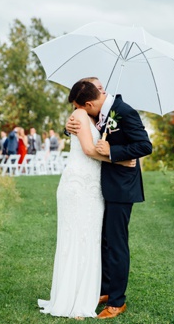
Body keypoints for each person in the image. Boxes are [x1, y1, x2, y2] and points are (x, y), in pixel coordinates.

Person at [39, 77, 139, 319]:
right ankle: (84, 294)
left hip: (106, 186)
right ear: (85, 99)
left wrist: (117, 155)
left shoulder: (118, 112)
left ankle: (108, 297)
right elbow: (86, 146)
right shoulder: (84, 114)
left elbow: (142, 145)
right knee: (83, 239)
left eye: (102, 86)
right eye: (96, 86)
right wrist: (120, 158)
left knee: (100, 241)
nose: (101, 89)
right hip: (82, 184)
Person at [64, 78, 152, 319]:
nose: (78, 112)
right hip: (103, 185)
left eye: (80, 108)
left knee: (116, 244)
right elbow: (85, 127)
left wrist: (114, 152)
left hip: (122, 188)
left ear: (90, 103)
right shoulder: (100, 111)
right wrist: (68, 126)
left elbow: (145, 145)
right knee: (103, 240)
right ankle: (105, 289)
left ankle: (117, 301)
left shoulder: (124, 112)